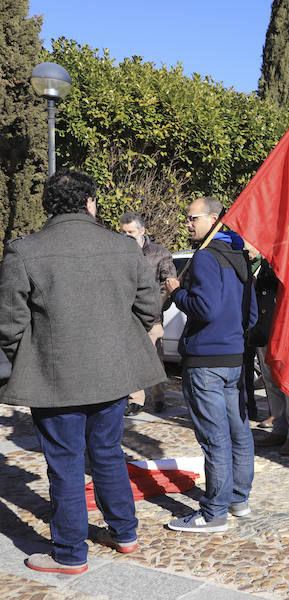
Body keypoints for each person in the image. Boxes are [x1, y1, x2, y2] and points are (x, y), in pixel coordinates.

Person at [0, 169, 166, 574]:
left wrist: (32, 357)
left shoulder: (24, 249)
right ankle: (125, 533)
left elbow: (8, 324)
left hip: (55, 377)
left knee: (66, 462)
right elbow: (149, 309)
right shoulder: (125, 248)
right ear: (90, 203)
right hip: (111, 373)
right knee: (106, 452)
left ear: (47, 206)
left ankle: (71, 554)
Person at [164, 197, 258, 533]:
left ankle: (214, 511)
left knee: (215, 437)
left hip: (206, 361)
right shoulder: (240, 257)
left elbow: (204, 308)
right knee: (238, 432)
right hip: (234, 358)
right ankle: (238, 499)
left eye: (192, 218)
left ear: (214, 219)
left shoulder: (205, 257)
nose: (187, 223)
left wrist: (177, 292)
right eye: (186, 217)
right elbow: (251, 315)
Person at [246, 245, 289, 455]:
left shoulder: (283, 259)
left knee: (288, 382)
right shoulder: (261, 263)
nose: (247, 245)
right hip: (264, 330)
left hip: (283, 331)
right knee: (270, 382)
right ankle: (279, 429)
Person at [119, 211, 176, 415]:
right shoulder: (117, 253)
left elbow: (168, 283)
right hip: (127, 317)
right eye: (123, 232)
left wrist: (153, 306)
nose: (127, 236)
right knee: (131, 361)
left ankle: (159, 397)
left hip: (152, 318)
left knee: (154, 360)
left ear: (142, 231)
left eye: (131, 232)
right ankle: (135, 400)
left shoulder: (159, 253)